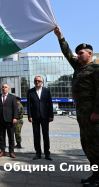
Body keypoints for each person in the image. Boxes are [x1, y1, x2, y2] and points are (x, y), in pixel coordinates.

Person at [55, 26, 99, 187]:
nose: (78, 55)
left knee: (95, 144)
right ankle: (95, 174)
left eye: (81, 53)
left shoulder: (96, 69)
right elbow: (67, 54)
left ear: (90, 54)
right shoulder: (79, 67)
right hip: (81, 112)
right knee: (86, 144)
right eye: (78, 53)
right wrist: (60, 37)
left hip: (92, 113)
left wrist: (96, 112)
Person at [27, 76, 54, 160]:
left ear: (42, 82)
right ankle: (38, 153)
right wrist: (29, 116)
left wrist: (51, 115)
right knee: (36, 135)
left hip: (45, 116)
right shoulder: (30, 91)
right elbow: (28, 105)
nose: (37, 82)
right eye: (35, 80)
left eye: (39, 80)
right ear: (34, 82)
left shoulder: (46, 91)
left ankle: (47, 153)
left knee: (46, 135)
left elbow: (50, 104)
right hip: (35, 117)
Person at [0, 83, 18, 158]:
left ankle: (11, 152)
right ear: (1, 89)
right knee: (1, 136)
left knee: (11, 137)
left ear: (8, 89)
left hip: (10, 120)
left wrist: (15, 117)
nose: (4, 88)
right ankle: (2, 151)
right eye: (3, 87)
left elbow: (15, 108)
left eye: (5, 87)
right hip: (0, 120)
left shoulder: (12, 97)